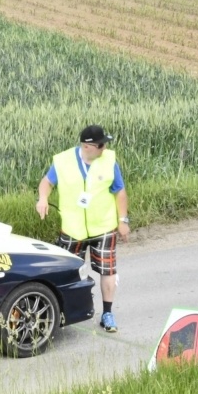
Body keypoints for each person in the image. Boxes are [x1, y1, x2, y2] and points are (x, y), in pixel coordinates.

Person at [36, 124, 129, 333]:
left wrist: (123, 220)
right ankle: (63, 313)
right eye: (101, 144)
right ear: (88, 146)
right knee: (66, 273)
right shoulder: (63, 161)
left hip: (104, 226)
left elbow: (119, 192)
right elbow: (46, 183)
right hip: (72, 228)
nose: (105, 147)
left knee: (108, 270)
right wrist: (42, 198)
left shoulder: (109, 161)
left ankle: (107, 313)